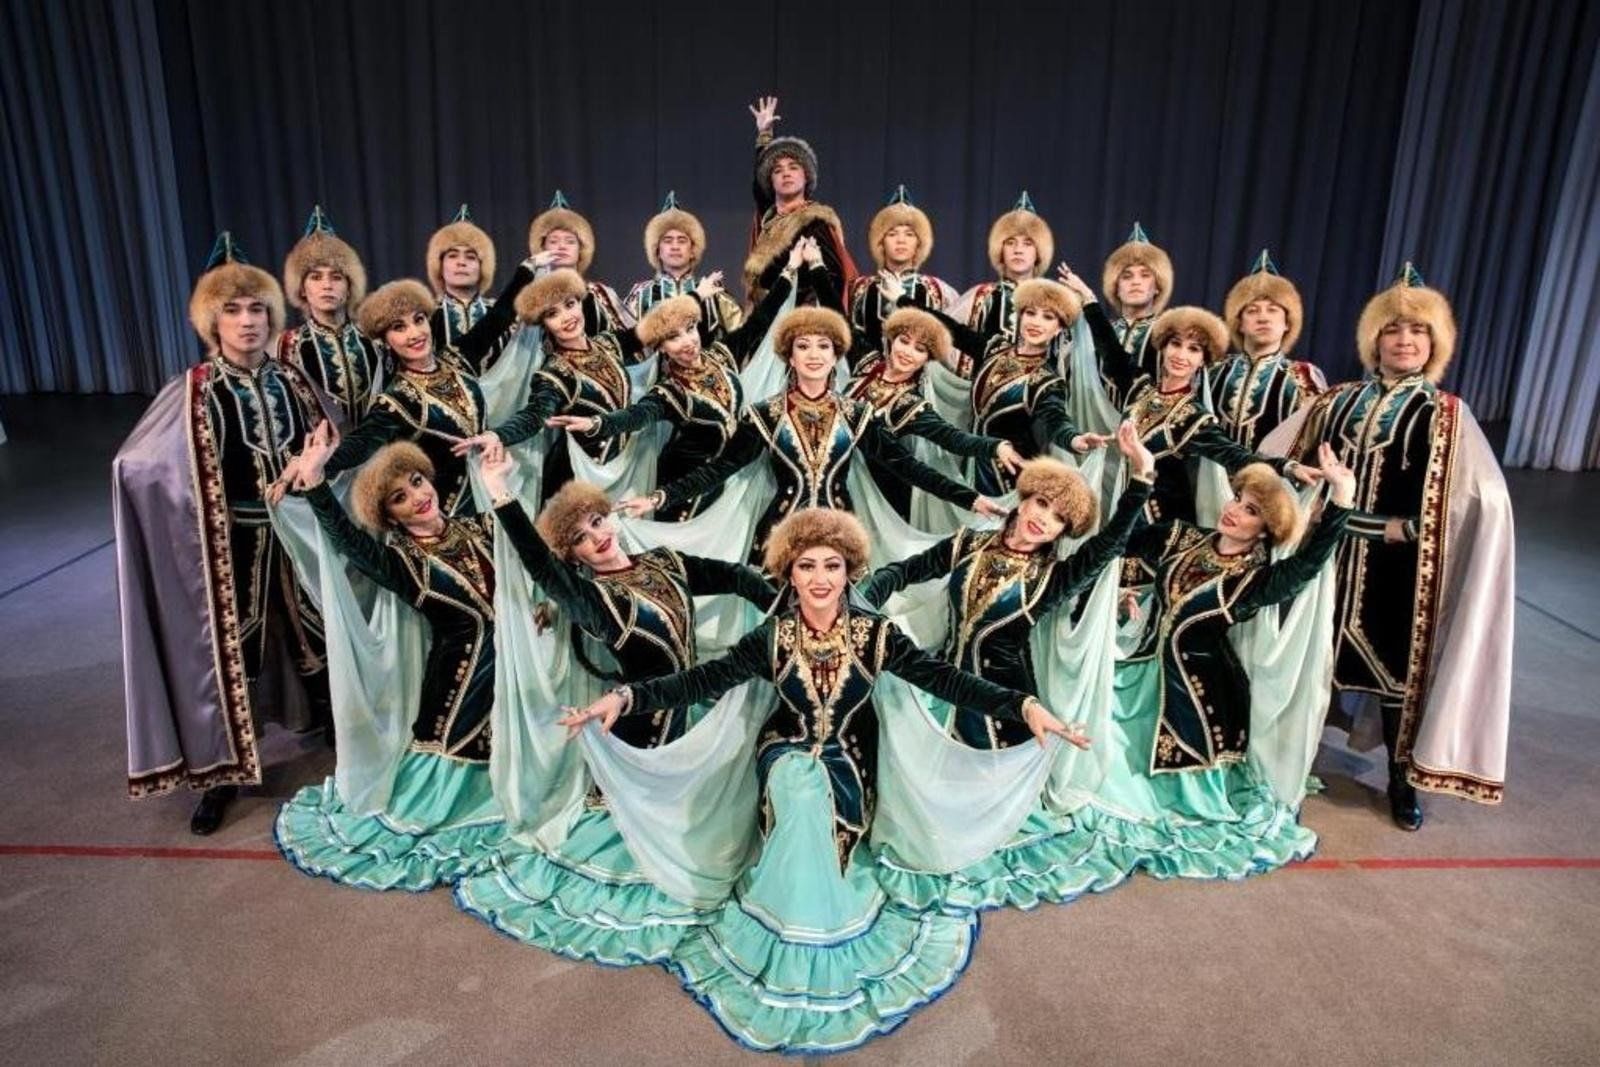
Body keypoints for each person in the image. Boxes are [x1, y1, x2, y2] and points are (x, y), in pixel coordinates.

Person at [557, 507, 1084, 1052]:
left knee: (817, 802)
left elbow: (946, 680)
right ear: (789, 574)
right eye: (806, 566)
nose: (819, 578)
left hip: (850, 758)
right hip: (785, 748)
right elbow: (700, 681)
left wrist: (1022, 706)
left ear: (849, 572)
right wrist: (625, 697)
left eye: (832, 565)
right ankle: (788, 925)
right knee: (799, 792)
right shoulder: (772, 637)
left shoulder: (876, 635)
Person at [1273, 265, 1515, 830]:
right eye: (1393, 329)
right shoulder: (1335, 401)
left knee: (1396, 679)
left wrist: (1412, 530)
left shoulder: (1446, 413)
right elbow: (1277, 457)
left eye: (1418, 330)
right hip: (1328, 559)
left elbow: (1481, 496)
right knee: (1312, 662)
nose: (1405, 340)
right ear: (1373, 339)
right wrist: (1302, 499)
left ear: (1435, 343)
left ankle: (1401, 779)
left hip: (1399, 569)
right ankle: (1291, 762)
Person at [114, 233, 329, 835]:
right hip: (231, 546)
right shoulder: (194, 388)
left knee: (319, 631)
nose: (247, 321)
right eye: (233, 310)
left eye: (257, 308)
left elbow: (325, 437)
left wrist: (316, 461)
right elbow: (139, 464)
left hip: (296, 536)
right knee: (233, 652)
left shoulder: (292, 379)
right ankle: (221, 774)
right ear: (212, 320)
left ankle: (339, 733)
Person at [1079, 449, 1354, 878]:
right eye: (1237, 499)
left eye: (1251, 511)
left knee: (1110, 768)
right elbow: (1117, 543)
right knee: (1083, 715)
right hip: (1143, 669)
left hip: (1197, 698)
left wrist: (1342, 499)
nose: (1234, 511)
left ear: (1265, 530)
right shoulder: (1182, 537)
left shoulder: (1253, 581)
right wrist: (1113, 590)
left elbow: (1307, 565)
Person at [273, 431, 507, 890]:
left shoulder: (475, 527)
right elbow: (348, 543)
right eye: (399, 498)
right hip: (460, 691)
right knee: (441, 798)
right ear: (389, 516)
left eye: (417, 481)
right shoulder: (401, 563)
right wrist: (316, 483)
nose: (418, 497)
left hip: (510, 681)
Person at [614, 304, 1007, 561]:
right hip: (778, 539)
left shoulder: (856, 415)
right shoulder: (764, 416)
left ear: (836, 357)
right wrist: (658, 498)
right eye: (804, 346)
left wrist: (971, 499)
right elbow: (718, 469)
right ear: (790, 355)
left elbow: (910, 468)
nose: (814, 354)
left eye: (824, 346)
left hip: (844, 539)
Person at [544, 243, 809, 519]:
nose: (687, 342)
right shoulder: (669, 392)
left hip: (725, 484)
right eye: (673, 337)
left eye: (690, 329)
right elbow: (635, 416)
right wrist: (597, 424)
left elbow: (760, 320)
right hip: (682, 495)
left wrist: (790, 268)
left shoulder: (722, 355)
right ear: (660, 347)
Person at [1063, 265, 1313, 529]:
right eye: (1176, 344)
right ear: (1163, 347)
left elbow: (1236, 456)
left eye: (1193, 349)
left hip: (1162, 524)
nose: (1181, 355)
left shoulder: (1193, 417)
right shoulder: (1140, 389)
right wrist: (1088, 298)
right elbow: (1110, 349)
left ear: (1203, 360)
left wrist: (1288, 468)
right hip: (1124, 513)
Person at [312, 252, 541, 516]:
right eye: (399, 327)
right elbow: (359, 445)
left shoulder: (457, 359)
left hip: (494, 492)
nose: (415, 333)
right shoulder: (396, 400)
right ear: (386, 341)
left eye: (419, 320)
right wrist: (313, 467)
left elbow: (498, 317)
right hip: (449, 516)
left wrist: (529, 268)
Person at [919, 276, 1105, 496]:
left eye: (1048, 317)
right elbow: (952, 330)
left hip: (1010, 474)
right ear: (1020, 316)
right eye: (1030, 313)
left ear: (1058, 329)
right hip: (975, 463)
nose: (1036, 322)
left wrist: (1073, 439)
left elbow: (1056, 420)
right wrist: (903, 301)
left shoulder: (1045, 380)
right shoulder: (995, 349)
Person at [841, 296, 1022, 517]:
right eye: (904, 341)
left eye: (920, 349)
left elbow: (953, 439)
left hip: (871, 500)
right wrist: (817, 272)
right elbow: (839, 318)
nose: (907, 352)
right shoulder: (866, 364)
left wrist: (995, 447)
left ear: (927, 358)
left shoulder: (910, 405)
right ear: (892, 340)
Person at [744, 95, 856, 312]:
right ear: (770, 181)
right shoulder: (770, 218)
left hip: (798, 318)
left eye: (793, 167)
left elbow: (834, 277)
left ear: (806, 177)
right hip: (764, 316)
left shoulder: (815, 222)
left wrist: (809, 316)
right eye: (777, 170)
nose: (786, 173)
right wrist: (764, 134)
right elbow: (759, 190)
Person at [277, 205, 383, 425]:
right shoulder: (288, 346)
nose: (327, 285)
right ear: (302, 288)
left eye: (336, 277)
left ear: (349, 287)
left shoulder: (373, 338)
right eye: (316, 277)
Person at [1209, 250, 1326, 448]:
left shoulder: (1304, 377)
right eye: (1252, 310)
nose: (1263, 318)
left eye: (1273, 310)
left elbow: (1313, 445)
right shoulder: (1214, 371)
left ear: (1287, 323)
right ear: (1239, 324)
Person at [845, 186, 960, 347]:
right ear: (881, 242)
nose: (901, 240)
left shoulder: (940, 292)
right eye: (892, 234)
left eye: (909, 234)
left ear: (919, 243)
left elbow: (953, 347)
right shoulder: (859, 289)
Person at [621, 191, 744, 340]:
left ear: (692, 250)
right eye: (667, 240)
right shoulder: (641, 295)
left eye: (682, 240)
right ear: (657, 251)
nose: (675, 247)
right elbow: (625, 344)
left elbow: (742, 338)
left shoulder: (713, 293)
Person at [954, 191, 1054, 344]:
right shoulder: (980, 297)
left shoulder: (1054, 302)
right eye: (1010, 242)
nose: (1018, 250)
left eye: (1027, 243)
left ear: (1039, 253)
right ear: (1000, 251)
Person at [426, 203, 518, 367]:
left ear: (483, 266)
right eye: (452, 256)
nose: (461, 262)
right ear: (440, 265)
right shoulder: (426, 317)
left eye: (470, 257)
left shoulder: (506, 316)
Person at [527, 190, 630, 335]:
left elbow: (629, 340)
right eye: (554, 241)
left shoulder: (601, 294)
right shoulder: (532, 298)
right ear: (542, 248)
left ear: (581, 249)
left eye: (570, 241)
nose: (562, 246)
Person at [1098, 221, 1174, 392]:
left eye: (1145, 275)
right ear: (1116, 288)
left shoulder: (1169, 336)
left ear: (1157, 287)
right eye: (1127, 276)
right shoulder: (1099, 334)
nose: (1136, 282)